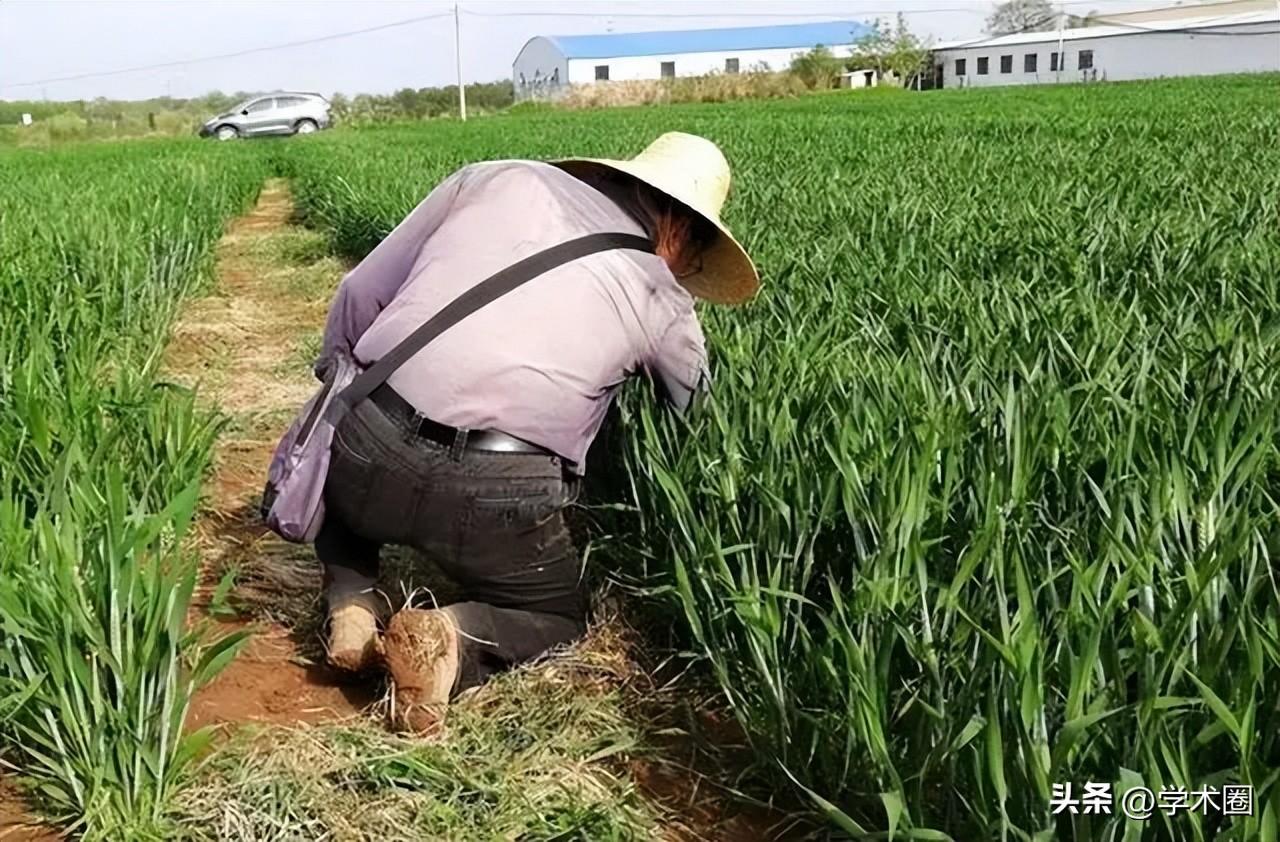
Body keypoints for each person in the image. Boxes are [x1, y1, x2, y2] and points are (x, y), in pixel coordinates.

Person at [313, 131, 759, 731]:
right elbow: (697, 412)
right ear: (679, 229)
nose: (687, 272)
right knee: (559, 615)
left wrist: (339, 402)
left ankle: (352, 601)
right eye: (695, 258)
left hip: (367, 445)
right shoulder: (663, 295)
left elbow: (358, 293)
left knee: (342, 484)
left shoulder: (493, 177)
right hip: (495, 495)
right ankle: (453, 637)